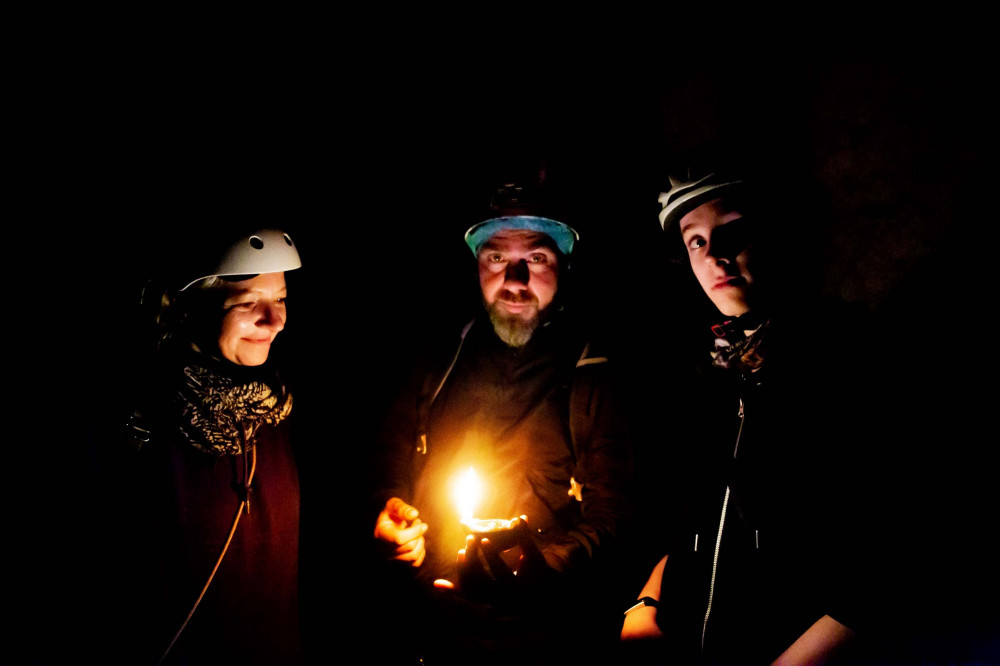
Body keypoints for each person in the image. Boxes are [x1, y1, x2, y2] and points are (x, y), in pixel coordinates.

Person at [619, 147, 881, 664]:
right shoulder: (715, 374)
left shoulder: (850, 364)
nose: (714, 253)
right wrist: (645, 606)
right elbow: (693, 519)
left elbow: (881, 568)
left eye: (734, 228)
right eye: (696, 239)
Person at [369, 171, 634, 664]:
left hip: (542, 640)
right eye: (497, 258)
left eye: (535, 258)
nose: (514, 281)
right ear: (477, 267)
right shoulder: (440, 357)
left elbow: (615, 515)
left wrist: (538, 570)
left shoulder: (594, 371)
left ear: (563, 265)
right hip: (431, 630)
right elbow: (392, 452)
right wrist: (391, 513)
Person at [100, 227, 306, 665]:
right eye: (250, 302)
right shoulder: (148, 428)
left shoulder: (271, 413)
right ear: (191, 306)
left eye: (281, 299)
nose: (275, 320)